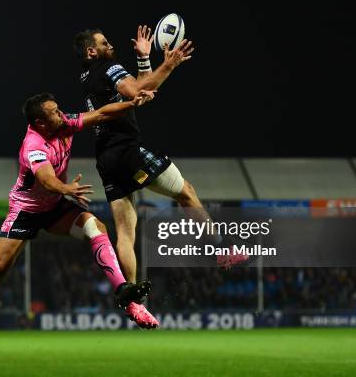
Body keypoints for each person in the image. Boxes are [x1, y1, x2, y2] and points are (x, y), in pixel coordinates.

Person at [0, 90, 159, 356]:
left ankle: (123, 290)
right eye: (54, 112)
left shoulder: (64, 123)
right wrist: (65, 188)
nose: (61, 114)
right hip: (26, 211)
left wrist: (131, 103)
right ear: (40, 122)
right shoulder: (33, 144)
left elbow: (101, 114)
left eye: (58, 109)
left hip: (55, 208)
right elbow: (45, 179)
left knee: (95, 226)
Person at [72, 26, 248, 287]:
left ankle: (131, 294)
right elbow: (137, 90)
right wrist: (169, 65)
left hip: (106, 159)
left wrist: (144, 58)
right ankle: (224, 249)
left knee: (125, 231)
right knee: (186, 192)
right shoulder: (108, 68)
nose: (110, 45)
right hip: (128, 151)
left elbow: (141, 89)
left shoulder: (88, 78)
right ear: (92, 50)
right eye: (104, 42)